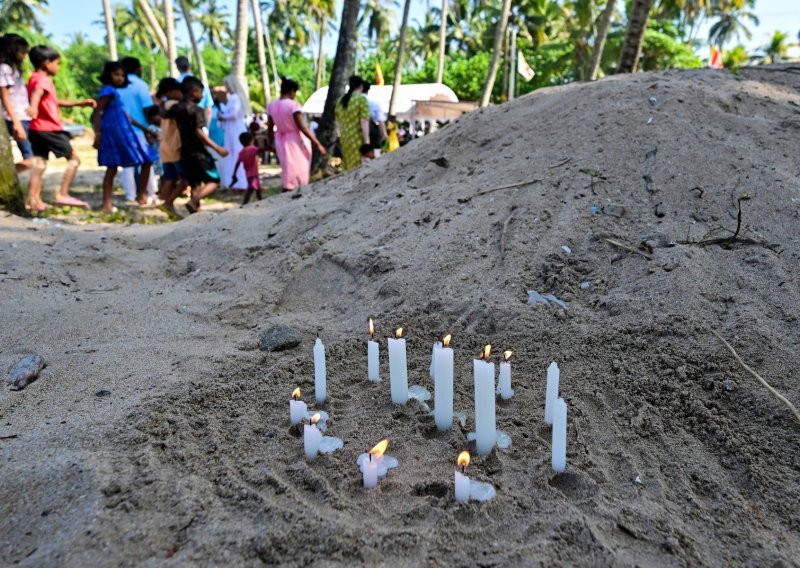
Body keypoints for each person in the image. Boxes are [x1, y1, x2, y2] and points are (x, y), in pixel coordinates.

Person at [26, 45, 96, 212]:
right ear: (46, 63)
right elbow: (37, 94)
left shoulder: (33, 77)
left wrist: (79, 103)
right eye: (57, 63)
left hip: (36, 128)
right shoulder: (43, 80)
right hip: (49, 129)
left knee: (40, 164)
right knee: (74, 159)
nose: (58, 67)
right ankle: (62, 194)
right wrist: (33, 107)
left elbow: (52, 101)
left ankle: (33, 200)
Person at [91, 61, 156, 214]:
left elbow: (128, 117)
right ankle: (108, 204)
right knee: (113, 168)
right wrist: (98, 134)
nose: (119, 78)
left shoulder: (115, 92)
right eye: (116, 74)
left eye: (122, 75)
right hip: (114, 135)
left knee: (146, 159)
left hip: (125, 133)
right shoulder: (107, 91)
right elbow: (97, 112)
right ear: (109, 75)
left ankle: (141, 196)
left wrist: (147, 130)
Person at [168, 75, 228, 214]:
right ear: (194, 91)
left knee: (194, 182)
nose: (202, 96)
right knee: (214, 180)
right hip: (197, 151)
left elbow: (164, 115)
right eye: (201, 92)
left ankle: (196, 212)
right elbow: (199, 132)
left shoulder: (176, 108)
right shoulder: (196, 110)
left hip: (185, 150)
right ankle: (194, 201)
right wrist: (217, 148)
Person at [267, 77, 325, 192]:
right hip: (295, 141)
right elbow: (302, 127)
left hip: (280, 140)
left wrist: (270, 143)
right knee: (300, 169)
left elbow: (269, 128)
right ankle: (296, 191)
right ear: (291, 91)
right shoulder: (293, 105)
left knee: (287, 169)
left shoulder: (272, 105)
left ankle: (288, 189)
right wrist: (317, 143)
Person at [118, 56, 157, 204]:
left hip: (122, 131)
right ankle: (149, 194)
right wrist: (150, 129)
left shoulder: (118, 86)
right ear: (137, 69)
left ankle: (130, 196)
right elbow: (147, 109)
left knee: (128, 164)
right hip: (140, 130)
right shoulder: (141, 85)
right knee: (147, 162)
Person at [0, 34, 32, 174]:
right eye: (22, 52)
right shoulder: (4, 69)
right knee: (31, 159)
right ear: (10, 50)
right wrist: (16, 123)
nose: (24, 56)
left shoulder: (14, 69)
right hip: (14, 118)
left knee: (33, 158)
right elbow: (4, 97)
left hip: (22, 116)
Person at [154, 77, 186, 216]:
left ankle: (165, 203)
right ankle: (169, 202)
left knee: (169, 178)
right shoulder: (174, 105)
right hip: (174, 146)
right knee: (187, 178)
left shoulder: (164, 105)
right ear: (171, 92)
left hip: (164, 146)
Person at [335, 75, 370, 171]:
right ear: (361, 86)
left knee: (347, 164)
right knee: (357, 167)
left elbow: (337, 121)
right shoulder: (361, 99)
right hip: (357, 138)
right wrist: (367, 141)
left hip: (345, 138)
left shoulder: (340, 101)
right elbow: (364, 121)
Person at [217, 76, 247, 190]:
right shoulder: (234, 98)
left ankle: (238, 183)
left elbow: (233, 115)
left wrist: (222, 116)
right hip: (233, 129)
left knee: (235, 154)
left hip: (234, 130)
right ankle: (236, 182)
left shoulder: (234, 98)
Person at [176, 55, 213, 125]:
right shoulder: (202, 84)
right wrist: (206, 128)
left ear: (177, 67)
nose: (202, 97)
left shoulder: (174, 85)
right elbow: (208, 109)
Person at [230, 132, 261, 205]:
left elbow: (237, 163)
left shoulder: (241, 152)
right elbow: (260, 150)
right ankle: (244, 204)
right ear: (251, 140)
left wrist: (234, 173)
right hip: (254, 173)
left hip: (248, 174)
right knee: (251, 189)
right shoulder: (253, 149)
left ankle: (261, 201)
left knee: (257, 189)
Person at [362, 80, 387, 157]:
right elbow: (381, 121)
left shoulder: (350, 103)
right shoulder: (373, 103)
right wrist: (384, 135)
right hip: (372, 135)